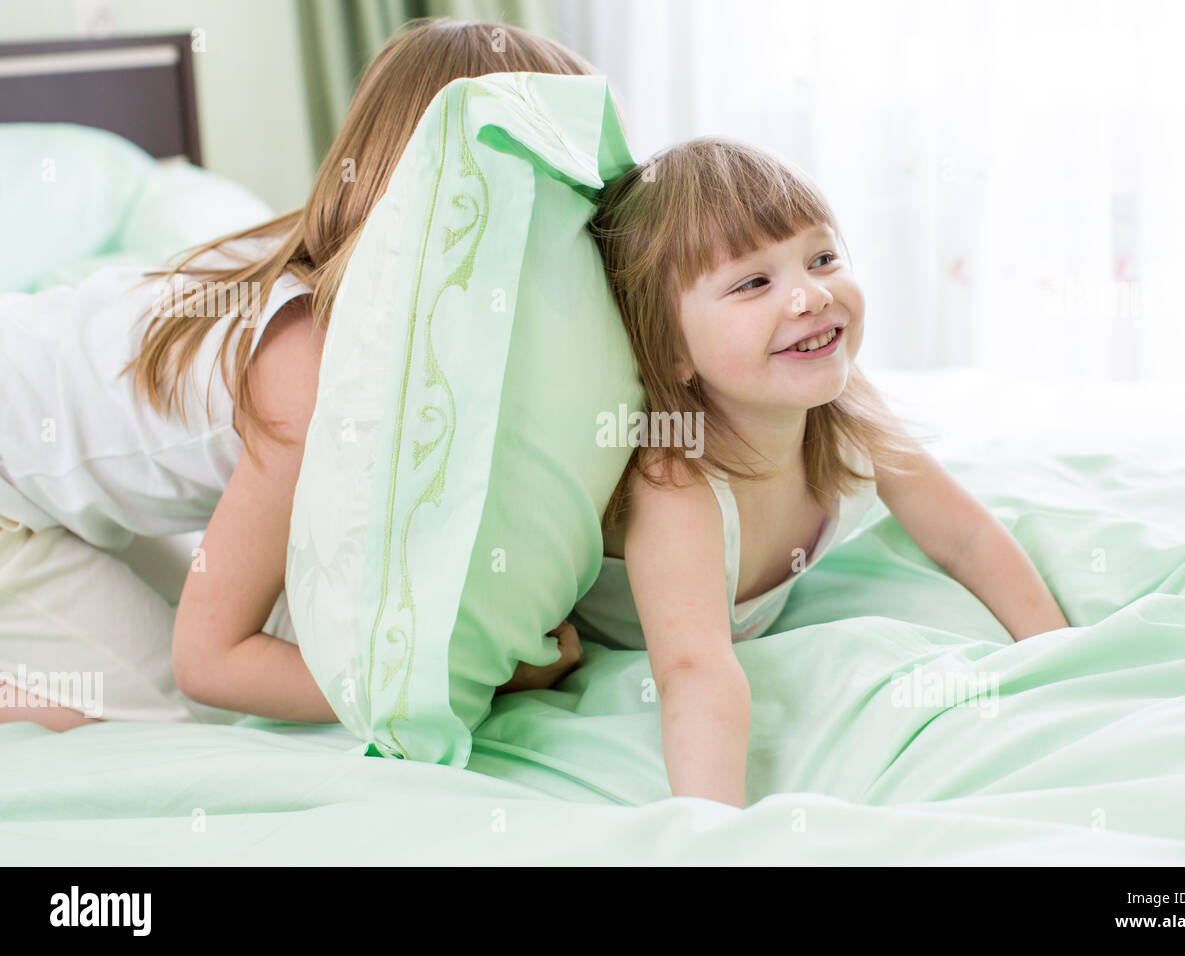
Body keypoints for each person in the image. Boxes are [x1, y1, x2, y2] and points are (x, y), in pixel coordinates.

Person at [0, 17, 601, 733]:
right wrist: (461, 683)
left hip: (53, 462)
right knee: (171, 710)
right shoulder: (305, 372)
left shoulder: (347, 278)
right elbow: (211, 662)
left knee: (246, 624)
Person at [570, 137, 1072, 807]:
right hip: (593, 642)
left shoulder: (848, 402)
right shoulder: (679, 481)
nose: (810, 295)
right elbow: (696, 673)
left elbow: (965, 537)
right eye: (753, 282)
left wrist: (1057, 659)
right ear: (671, 349)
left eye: (823, 258)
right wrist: (719, 833)